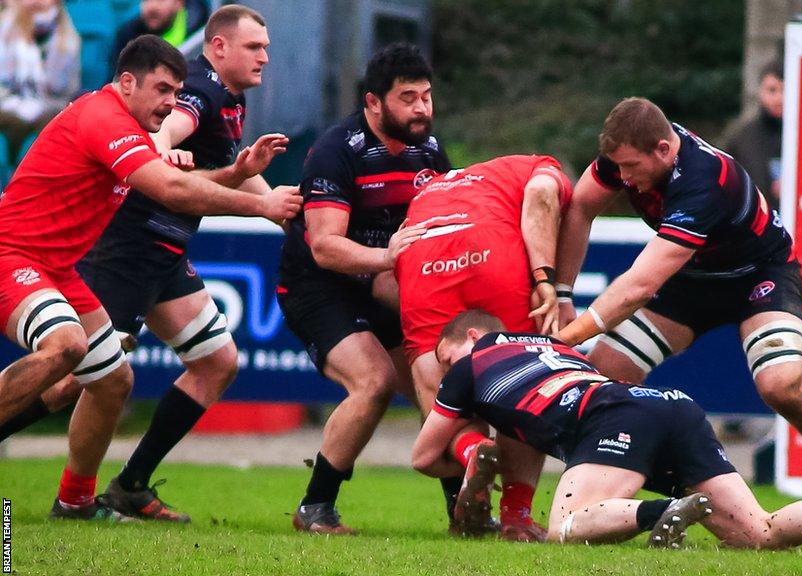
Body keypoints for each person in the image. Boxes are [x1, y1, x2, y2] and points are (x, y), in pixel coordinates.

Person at [553, 97, 802, 557]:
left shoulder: (704, 182)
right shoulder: (628, 153)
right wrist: (561, 292)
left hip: (759, 276)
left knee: (782, 386)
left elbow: (639, 285)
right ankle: (652, 495)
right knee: (601, 380)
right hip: (693, 280)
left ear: (663, 150)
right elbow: (579, 207)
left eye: (631, 167)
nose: (623, 179)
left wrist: (566, 337)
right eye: (616, 167)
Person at [0, 5, 284, 523]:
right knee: (68, 355)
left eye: (176, 94)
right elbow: (171, 185)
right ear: (127, 83)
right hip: (18, 256)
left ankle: (79, 502)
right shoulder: (108, 117)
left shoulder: (136, 120)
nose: (172, 103)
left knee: (113, 381)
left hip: (67, 267)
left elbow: (174, 181)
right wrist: (264, 205)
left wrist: (235, 173)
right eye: (162, 92)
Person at [413, 311, 802, 555]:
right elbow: (524, 425)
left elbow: (422, 454)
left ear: (473, 337)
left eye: (447, 356)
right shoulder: (555, 349)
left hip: (609, 416)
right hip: (669, 404)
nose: (446, 368)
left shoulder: (470, 364)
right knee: (754, 533)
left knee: (566, 526)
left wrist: (466, 449)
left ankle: (659, 513)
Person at [276, 42, 452, 535]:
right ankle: (315, 508)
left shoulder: (430, 152)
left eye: (426, 96)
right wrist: (388, 258)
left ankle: (465, 511)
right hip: (318, 286)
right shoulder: (337, 151)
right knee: (374, 381)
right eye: (408, 98)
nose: (422, 108)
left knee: (437, 383)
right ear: (373, 102)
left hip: (382, 282)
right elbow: (325, 248)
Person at [395, 154, 572, 540]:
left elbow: (423, 458)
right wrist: (549, 281)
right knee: (521, 393)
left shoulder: (427, 191)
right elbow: (543, 194)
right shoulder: (535, 164)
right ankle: (517, 515)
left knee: (436, 384)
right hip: (495, 256)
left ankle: (472, 449)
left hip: (425, 262)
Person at [0, 0, 80, 166]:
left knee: (53, 124)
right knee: (14, 123)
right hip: (7, 104)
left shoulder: (69, 39)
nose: (37, 2)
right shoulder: (5, 28)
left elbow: (65, 89)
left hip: (49, 107)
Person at [723, 60, 784, 212]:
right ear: (760, 91)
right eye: (772, 90)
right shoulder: (741, 137)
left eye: (785, 90)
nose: (779, 99)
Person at [110, 0, 209, 67]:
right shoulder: (127, 36)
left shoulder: (200, 28)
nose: (153, 6)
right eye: (147, 0)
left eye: (161, 0)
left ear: (179, 2)